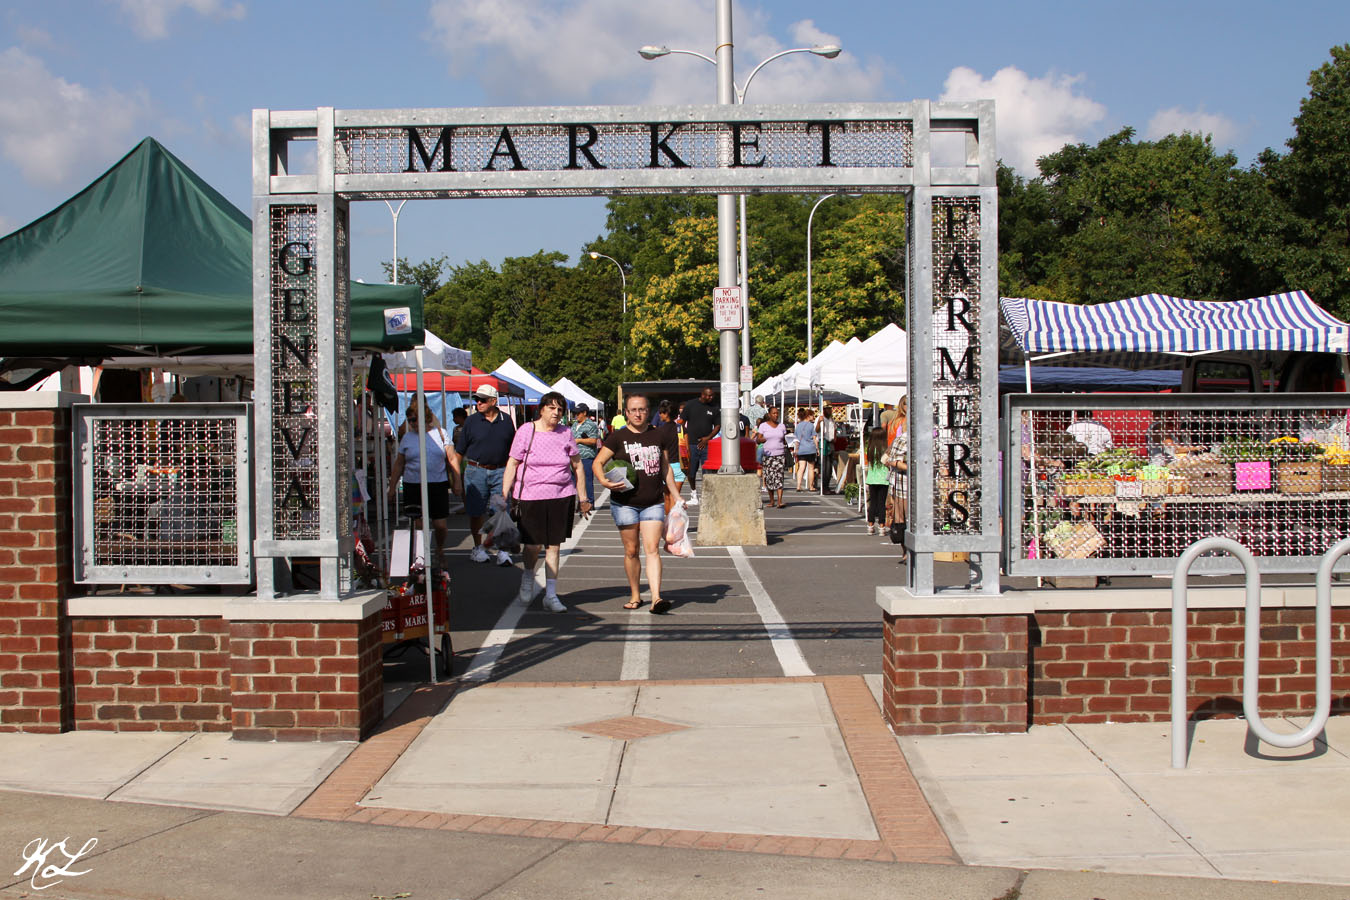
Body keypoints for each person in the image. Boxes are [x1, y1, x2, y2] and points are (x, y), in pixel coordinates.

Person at [503, 392, 592, 613]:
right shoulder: (527, 431)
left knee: (554, 546)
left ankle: (550, 595)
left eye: (560, 409)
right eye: (552, 408)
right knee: (532, 545)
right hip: (531, 496)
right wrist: (503, 495)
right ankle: (527, 575)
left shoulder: (566, 433)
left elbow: (578, 466)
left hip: (560, 496)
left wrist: (583, 498)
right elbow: (513, 464)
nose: (556, 413)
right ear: (541, 409)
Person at [593, 393, 682, 614]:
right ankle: (635, 595)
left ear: (648, 411)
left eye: (641, 409)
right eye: (633, 410)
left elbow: (665, 468)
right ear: (626, 413)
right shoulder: (617, 437)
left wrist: (676, 495)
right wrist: (604, 481)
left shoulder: (657, 434)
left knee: (652, 550)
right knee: (632, 550)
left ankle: (656, 598)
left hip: (653, 501)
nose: (637, 414)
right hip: (625, 503)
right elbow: (598, 462)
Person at [386, 402, 460, 569]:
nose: (411, 423)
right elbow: (399, 464)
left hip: (437, 484)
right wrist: (392, 488)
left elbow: (452, 458)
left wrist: (457, 482)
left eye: (414, 420)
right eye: (410, 420)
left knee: (440, 525)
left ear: (425, 419)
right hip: (413, 484)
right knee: (419, 524)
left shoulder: (441, 434)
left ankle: (439, 549)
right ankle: (421, 556)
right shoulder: (408, 437)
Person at [453, 384, 516, 565]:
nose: (478, 403)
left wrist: (515, 475)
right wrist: (456, 477)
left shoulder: (506, 421)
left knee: (502, 512)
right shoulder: (471, 422)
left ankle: (502, 550)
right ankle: (478, 547)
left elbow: (514, 451)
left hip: (500, 471)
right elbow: (458, 452)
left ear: (493, 401)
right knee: (475, 512)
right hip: (475, 470)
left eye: (482, 400)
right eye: (476, 399)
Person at [680, 386, 719, 506]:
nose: (711, 397)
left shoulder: (714, 408)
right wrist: (686, 436)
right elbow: (681, 422)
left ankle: (705, 496)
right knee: (691, 472)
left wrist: (708, 438)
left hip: (706, 444)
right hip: (691, 443)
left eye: (712, 395)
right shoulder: (691, 405)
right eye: (709, 395)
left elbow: (717, 426)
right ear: (702, 394)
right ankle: (693, 494)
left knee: (707, 472)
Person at [885, 398, 909, 558]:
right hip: (899, 471)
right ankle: (905, 548)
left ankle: (906, 549)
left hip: (897, 470)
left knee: (902, 514)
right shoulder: (898, 421)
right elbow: (891, 444)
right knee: (902, 514)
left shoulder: (897, 420)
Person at [755, 405, 789, 508]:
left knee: (779, 477)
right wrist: (762, 440)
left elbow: (783, 439)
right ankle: (771, 501)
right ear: (769, 415)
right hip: (768, 455)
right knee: (770, 477)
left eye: (777, 413)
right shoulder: (763, 426)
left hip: (779, 454)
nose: (776, 415)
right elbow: (758, 439)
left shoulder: (782, 426)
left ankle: (779, 501)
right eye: (773, 413)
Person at [862, 427, 891, 535]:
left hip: (872, 478)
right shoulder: (886, 449)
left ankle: (870, 525)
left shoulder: (869, 449)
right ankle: (882, 526)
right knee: (881, 503)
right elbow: (888, 462)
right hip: (883, 478)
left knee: (873, 502)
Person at [571, 403, 601, 502]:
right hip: (574, 457)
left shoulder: (591, 425)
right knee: (575, 481)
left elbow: (593, 441)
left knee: (587, 481)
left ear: (584, 413)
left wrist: (579, 440)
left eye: (578, 413)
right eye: (575, 413)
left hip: (586, 457)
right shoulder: (574, 424)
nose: (576, 415)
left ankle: (590, 502)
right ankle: (581, 502)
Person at [793, 407, 818, 491]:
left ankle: (798, 486)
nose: (813, 417)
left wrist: (796, 449)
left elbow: (796, 439)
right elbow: (814, 438)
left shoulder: (798, 425)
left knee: (801, 468)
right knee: (811, 468)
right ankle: (811, 486)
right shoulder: (811, 425)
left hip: (801, 449)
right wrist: (817, 448)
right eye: (812, 416)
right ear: (809, 416)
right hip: (810, 448)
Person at [816, 405, 837, 493]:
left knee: (829, 466)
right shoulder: (821, 418)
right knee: (825, 466)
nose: (830, 411)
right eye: (828, 409)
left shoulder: (831, 419)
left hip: (831, 442)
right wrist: (819, 423)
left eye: (830, 409)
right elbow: (816, 430)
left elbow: (834, 429)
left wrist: (835, 437)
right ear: (824, 410)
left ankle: (826, 486)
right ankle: (824, 487)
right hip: (824, 442)